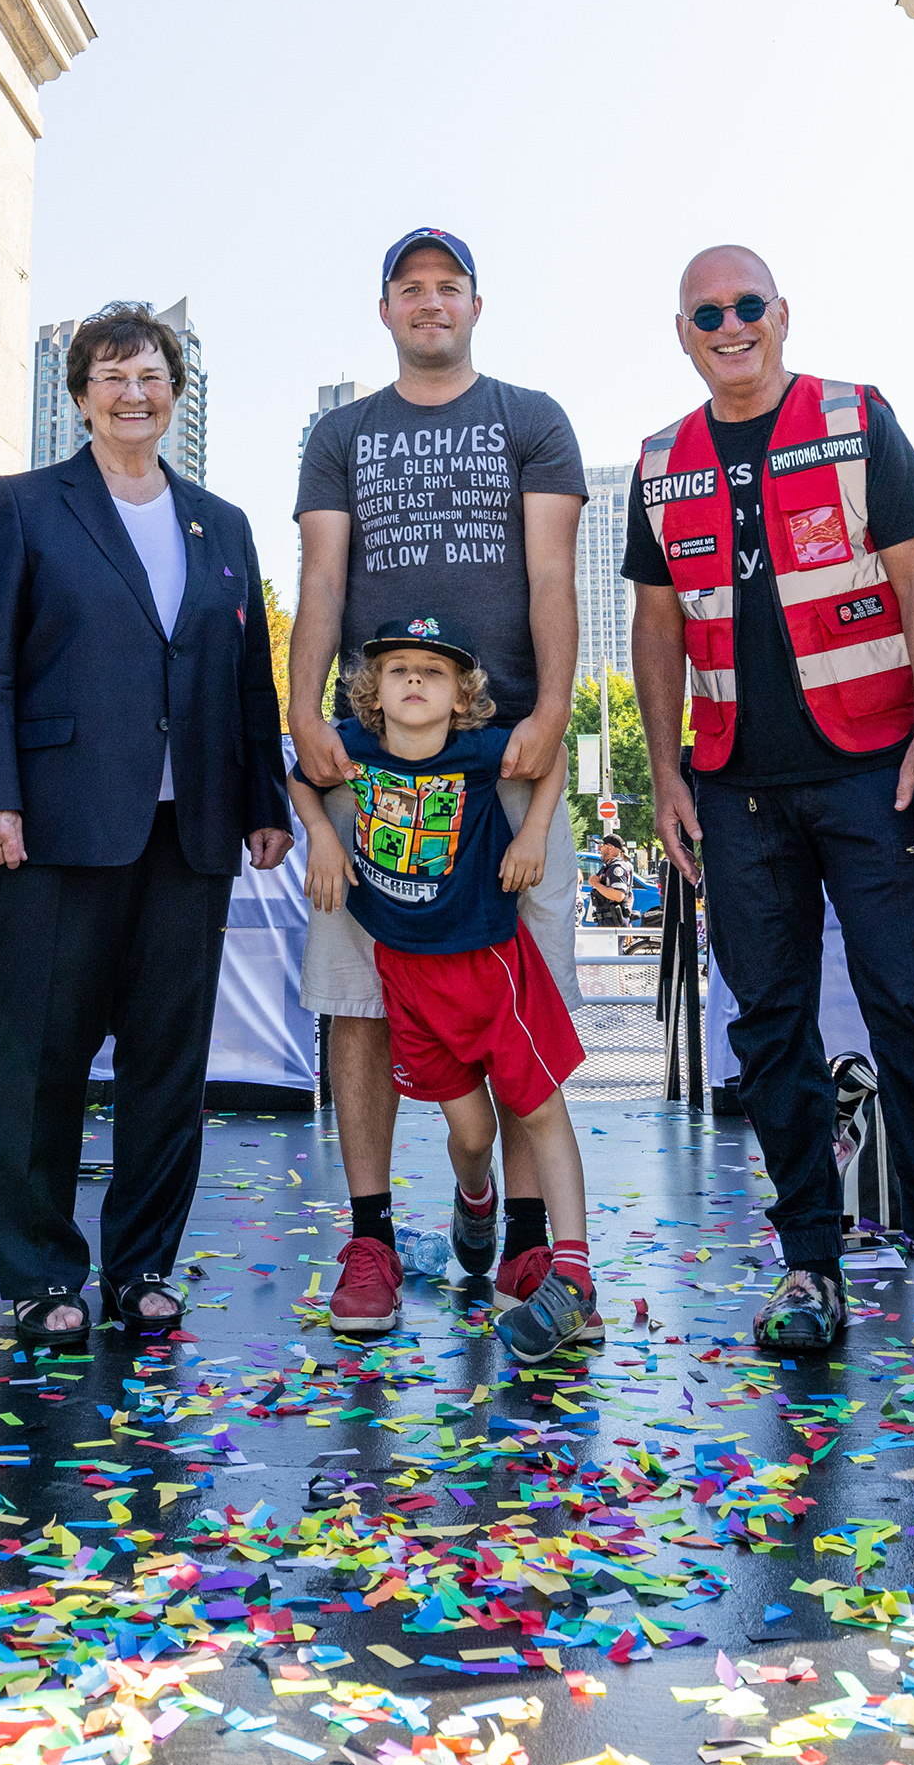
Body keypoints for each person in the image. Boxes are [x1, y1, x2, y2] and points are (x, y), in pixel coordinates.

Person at [631, 246, 914, 1383]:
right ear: (685, 333)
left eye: (749, 305)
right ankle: (809, 1263)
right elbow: (657, 632)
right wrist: (667, 773)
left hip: (875, 772)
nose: (732, 324)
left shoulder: (856, 419)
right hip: (735, 787)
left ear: (782, 315)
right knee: (770, 1032)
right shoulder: (662, 462)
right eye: (708, 312)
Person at [0, 306, 291, 1346]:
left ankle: (142, 1261)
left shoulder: (221, 523)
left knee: (167, 1059)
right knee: (43, 1055)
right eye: (110, 375)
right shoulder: (23, 505)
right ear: (80, 392)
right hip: (52, 825)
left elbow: (244, 677)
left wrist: (265, 806)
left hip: (190, 833)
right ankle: (41, 1270)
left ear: (175, 391)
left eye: (150, 374)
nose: (132, 391)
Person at [287, 229, 590, 1333]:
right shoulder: (342, 432)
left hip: (502, 754)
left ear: (475, 301)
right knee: (360, 993)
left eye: (446, 286)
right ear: (385, 310)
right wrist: (302, 710)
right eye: (409, 289)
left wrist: (553, 711)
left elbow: (551, 573)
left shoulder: (531, 417)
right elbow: (322, 577)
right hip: (373, 759)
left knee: (515, 1006)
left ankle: (520, 1238)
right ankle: (369, 1234)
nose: (429, 302)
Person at [285, 621, 599, 1366]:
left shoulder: (480, 751)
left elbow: (547, 759)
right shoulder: (351, 748)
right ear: (373, 688)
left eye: (432, 669)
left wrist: (534, 835)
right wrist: (322, 837)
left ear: (461, 695)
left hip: (490, 968)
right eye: (398, 669)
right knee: (471, 1134)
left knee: (540, 1106)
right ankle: (477, 1202)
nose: (415, 680)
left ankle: (576, 1268)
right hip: (406, 980)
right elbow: (302, 777)